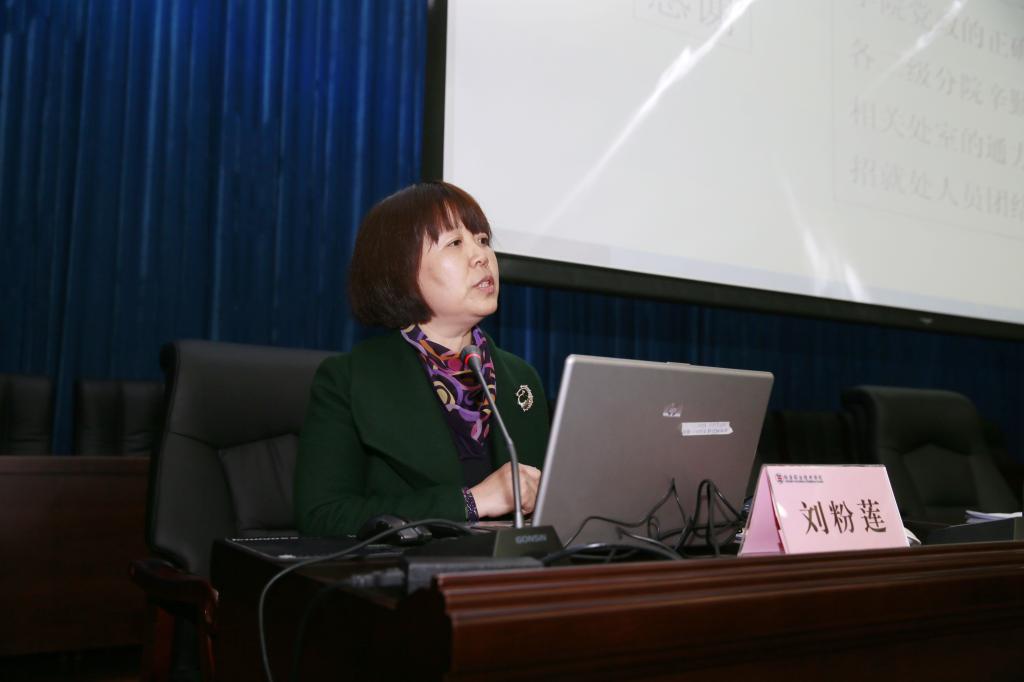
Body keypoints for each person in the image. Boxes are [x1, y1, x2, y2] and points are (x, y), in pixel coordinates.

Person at [294, 182, 550, 536]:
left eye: (482, 240)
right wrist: (470, 502)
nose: (481, 256)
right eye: (455, 243)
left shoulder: (522, 378)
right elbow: (321, 516)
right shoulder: (349, 380)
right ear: (401, 269)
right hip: (407, 568)